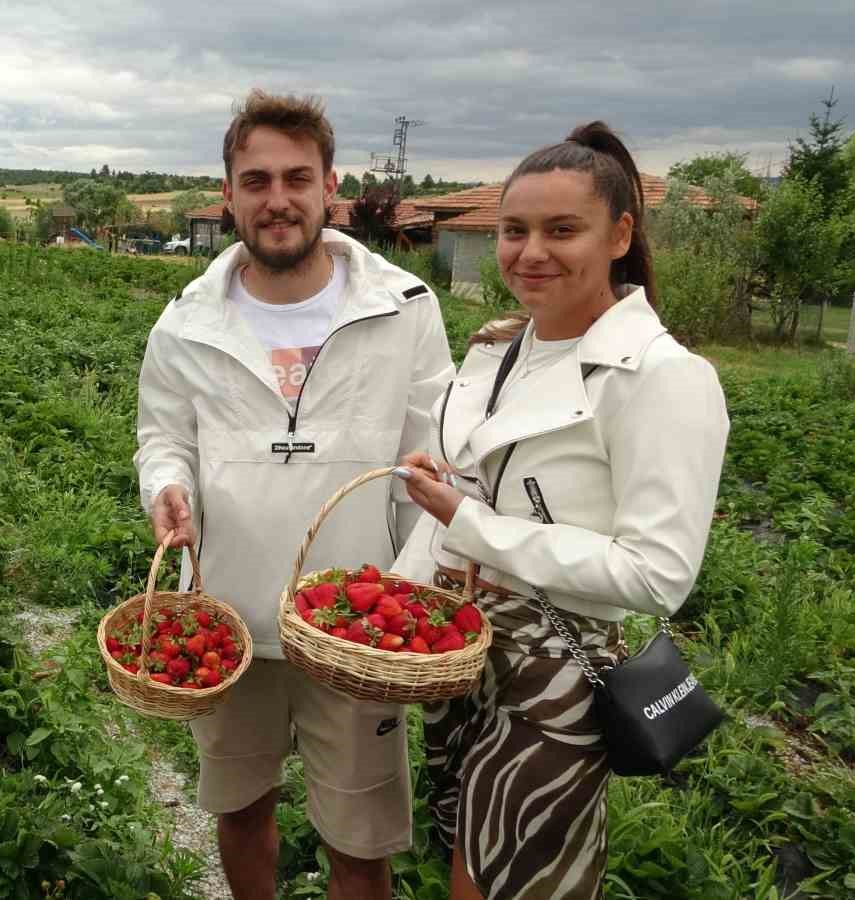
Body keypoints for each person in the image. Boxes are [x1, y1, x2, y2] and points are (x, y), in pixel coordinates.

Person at [391, 122, 730, 899]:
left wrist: (468, 523)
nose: (529, 251)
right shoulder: (501, 348)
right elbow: (476, 491)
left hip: (556, 667)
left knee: (512, 880)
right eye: (514, 230)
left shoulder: (663, 378)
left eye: (561, 229)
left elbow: (656, 575)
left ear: (619, 235)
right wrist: (403, 598)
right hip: (462, 647)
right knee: (464, 860)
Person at [134, 89, 455, 900]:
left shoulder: (401, 309)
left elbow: (434, 461)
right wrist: (166, 487)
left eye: (296, 178)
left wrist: (413, 590)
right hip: (229, 619)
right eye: (256, 180)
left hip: (355, 623)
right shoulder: (186, 322)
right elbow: (163, 437)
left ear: (329, 187)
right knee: (240, 812)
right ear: (229, 194)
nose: (277, 200)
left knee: (360, 841)